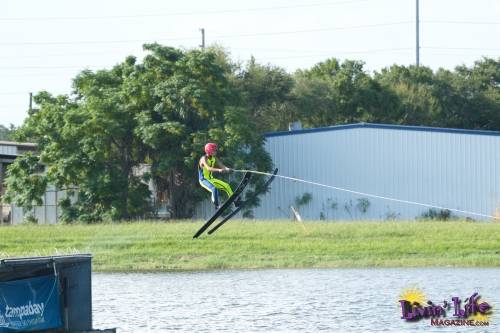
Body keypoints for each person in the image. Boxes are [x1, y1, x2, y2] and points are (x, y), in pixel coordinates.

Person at [198, 143, 237, 210]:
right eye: (214, 150)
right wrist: (219, 170)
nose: (216, 152)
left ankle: (235, 201)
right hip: (203, 180)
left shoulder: (214, 158)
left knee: (226, 186)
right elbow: (208, 168)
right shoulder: (203, 158)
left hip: (211, 179)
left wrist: (227, 169)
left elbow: (222, 166)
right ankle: (217, 205)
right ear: (209, 151)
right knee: (214, 188)